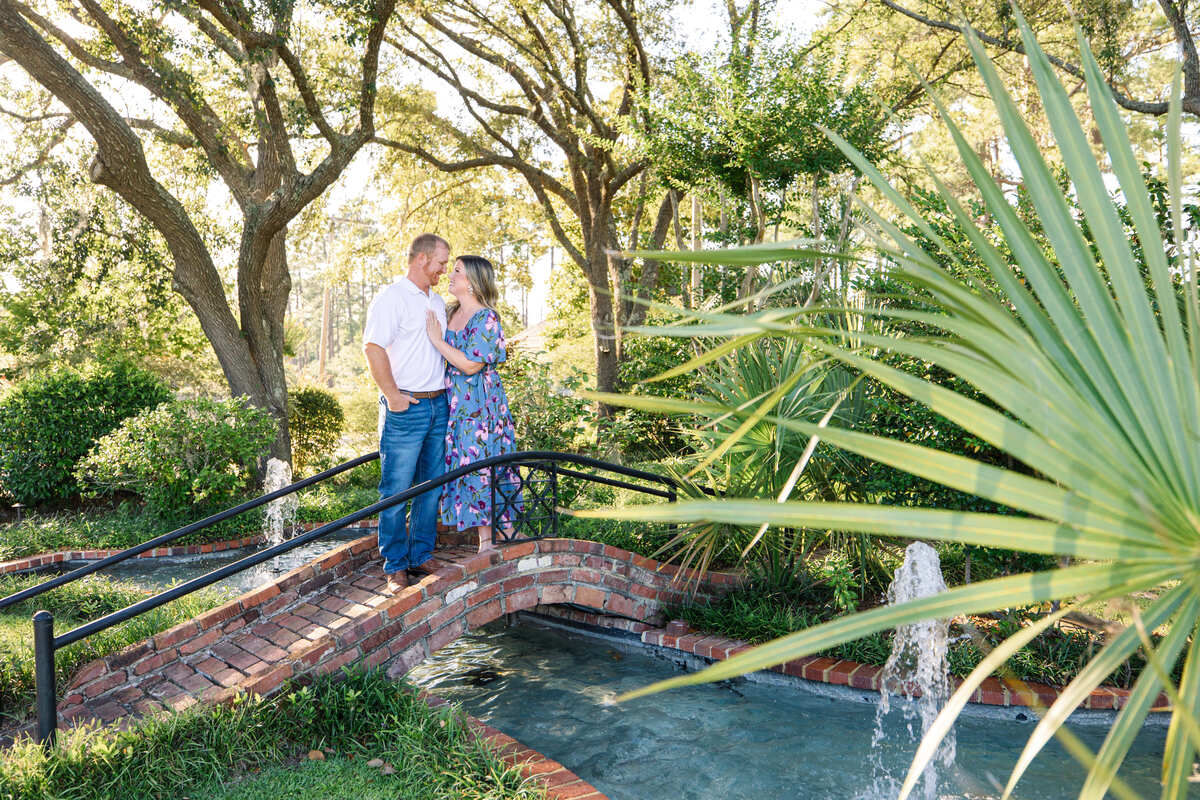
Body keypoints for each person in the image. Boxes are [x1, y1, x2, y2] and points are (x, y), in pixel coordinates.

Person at [363, 233, 450, 594]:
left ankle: (420, 554)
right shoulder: (392, 298)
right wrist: (393, 396)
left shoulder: (439, 301)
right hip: (407, 407)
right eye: (441, 263)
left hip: (438, 404)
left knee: (431, 488)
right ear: (422, 259)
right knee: (396, 488)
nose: (444, 270)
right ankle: (395, 564)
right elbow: (372, 348)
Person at [424, 255, 522, 552]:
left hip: (482, 408)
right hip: (454, 406)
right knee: (464, 469)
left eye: (458, 272)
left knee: (484, 466)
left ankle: (499, 543)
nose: (450, 275)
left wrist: (437, 341)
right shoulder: (449, 311)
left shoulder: (486, 318)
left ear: (474, 282)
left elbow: (470, 366)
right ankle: (488, 542)